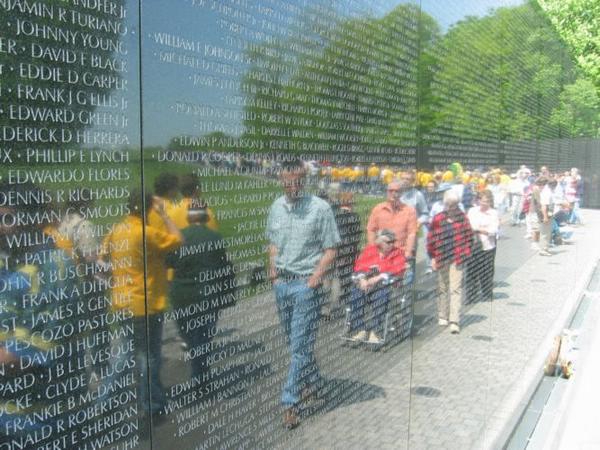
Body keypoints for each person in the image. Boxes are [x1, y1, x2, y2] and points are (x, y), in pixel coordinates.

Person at [266, 158, 340, 430]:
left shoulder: (320, 208)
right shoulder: (276, 207)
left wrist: (314, 280)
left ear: (304, 180)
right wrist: (273, 273)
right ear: (281, 180)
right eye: (287, 181)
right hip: (282, 285)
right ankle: (315, 382)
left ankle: (290, 401)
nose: (292, 185)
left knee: (298, 347)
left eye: (297, 180)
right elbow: (273, 243)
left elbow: (331, 248)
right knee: (297, 344)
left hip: (305, 287)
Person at [103, 190, 183, 423]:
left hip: (122, 301)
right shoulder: (146, 233)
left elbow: (101, 258)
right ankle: (152, 402)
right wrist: (164, 214)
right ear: (147, 207)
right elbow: (178, 239)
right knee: (149, 356)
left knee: (127, 352)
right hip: (145, 303)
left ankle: (105, 399)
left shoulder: (117, 230)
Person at [166, 200, 233, 380]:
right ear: (205, 216)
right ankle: (200, 375)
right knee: (203, 338)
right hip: (208, 296)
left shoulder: (179, 237)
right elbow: (224, 267)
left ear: (188, 216)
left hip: (182, 296)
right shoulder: (215, 238)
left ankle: (199, 374)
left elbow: (169, 262)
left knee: (190, 336)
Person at [427, 190, 474, 334]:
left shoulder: (463, 218)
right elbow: (431, 239)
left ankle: (454, 320)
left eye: (453, 205)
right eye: (448, 204)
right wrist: (432, 258)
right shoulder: (438, 218)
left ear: (457, 204)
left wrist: (465, 252)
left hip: (457, 258)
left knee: (455, 288)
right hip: (441, 257)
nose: (450, 208)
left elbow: (469, 237)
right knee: (442, 287)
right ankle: (443, 315)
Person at [348, 229, 406, 344]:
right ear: (379, 242)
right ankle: (360, 329)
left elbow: (398, 270)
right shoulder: (370, 250)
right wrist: (362, 279)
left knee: (381, 297)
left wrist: (378, 278)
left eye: (393, 242)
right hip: (367, 285)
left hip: (385, 287)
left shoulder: (397, 253)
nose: (391, 244)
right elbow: (359, 266)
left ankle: (376, 331)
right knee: (355, 294)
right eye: (388, 242)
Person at [366, 181, 417, 261]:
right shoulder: (378, 209)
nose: (393, 193)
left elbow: (411, 234)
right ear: (387, 192)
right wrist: (373, 251)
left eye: (397, 191)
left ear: (401, 193)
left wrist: (408, 252)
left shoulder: (409, 211)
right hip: (381, 253)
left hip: (400, 253)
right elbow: (371, 230)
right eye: (391, 191)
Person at [467, 190, 500, 303]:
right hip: (473, 244)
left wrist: (478, 229)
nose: (484, 203)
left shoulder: (493, 213)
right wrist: (482, 230)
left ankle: (486, 292)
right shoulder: (472, 211)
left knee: (487, 270)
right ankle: (471, 295)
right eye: (482, 201)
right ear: (478, 200)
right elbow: (469, 225)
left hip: (488, 245)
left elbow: (493, 230)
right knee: (471, 270)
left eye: (487, 201)